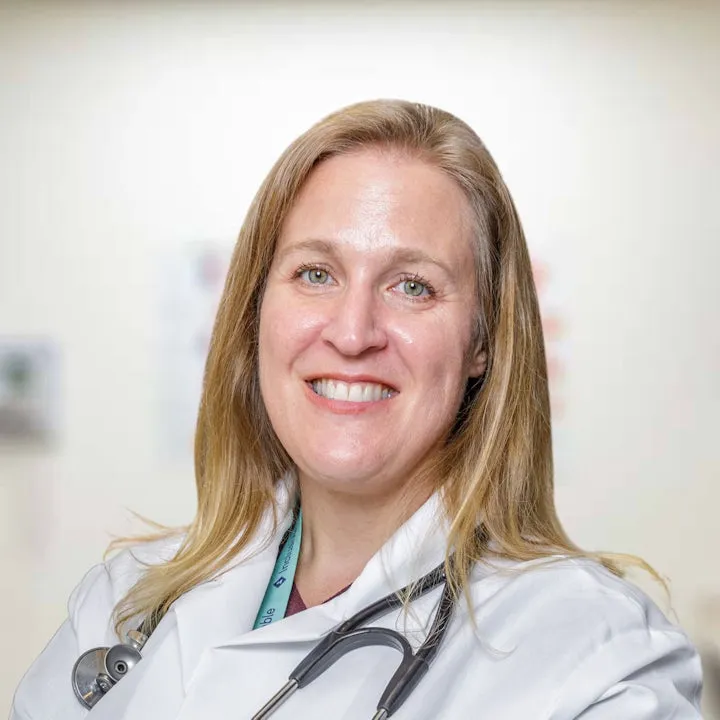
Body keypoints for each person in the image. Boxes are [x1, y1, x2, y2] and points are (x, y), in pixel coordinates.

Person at [11, 99, 702, 719]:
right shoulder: (128, 604)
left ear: (483, 342)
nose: (352, 333)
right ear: (255, 310)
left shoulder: (597, 658)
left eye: (412, 286)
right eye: (316, 274)